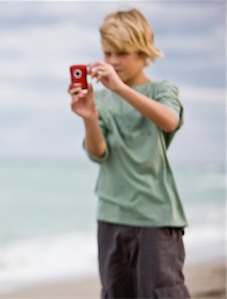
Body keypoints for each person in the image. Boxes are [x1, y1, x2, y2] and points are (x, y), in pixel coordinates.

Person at [68, 8, 190, 298]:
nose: (112, 61)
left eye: (121, 53)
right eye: (107, 53)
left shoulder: (162, 89)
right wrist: (88, 116)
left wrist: (120, 88)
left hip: (156, 218)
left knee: (163, 293)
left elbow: (169, 120)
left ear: (143, 51)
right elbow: (99, 153)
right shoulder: (101, 98)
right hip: (111, 216)